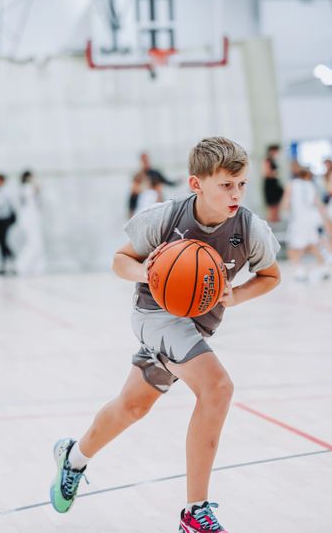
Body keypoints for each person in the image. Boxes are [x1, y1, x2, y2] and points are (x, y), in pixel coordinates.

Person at [50, 137, 281, 532]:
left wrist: (236, 295)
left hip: (197, 324)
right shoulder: (167, 218)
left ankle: (73, 456)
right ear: (197, 184)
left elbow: (271, 277)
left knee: (132, 406)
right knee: (218, 388)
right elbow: (120, 260)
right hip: (154, 314)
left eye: (241, 183)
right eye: (226, 185)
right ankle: (195, 513)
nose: (236, 193)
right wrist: (150, 273)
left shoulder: (249, 229)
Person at [283, 166, 329, 281]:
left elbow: (286, 203)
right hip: (312, 219)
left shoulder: (292, 184)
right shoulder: (311, 186)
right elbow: (319, 204)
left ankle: (299, 270)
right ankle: (324, 266)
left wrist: (286, 212)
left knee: (293, 247)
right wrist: (325, 220)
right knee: (313, 244)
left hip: (299, 220)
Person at [128, 152, 180, 217]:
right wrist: (131, 211)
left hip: (155, 205)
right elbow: (133, 194)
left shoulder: (155, 174)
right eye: (143, 160)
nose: (145, 162)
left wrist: (178, 182)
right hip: (142, 208)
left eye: (146, 160)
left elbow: (167, 182)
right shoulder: (138, 175)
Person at [15, 170, 45, 275]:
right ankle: (22, 265)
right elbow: (37, 188)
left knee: (37, 243)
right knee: (33, 243)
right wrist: (34, 181)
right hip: (30, 220)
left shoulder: (25, 188)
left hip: (33, 219)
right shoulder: (27, 188)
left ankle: (35, 267)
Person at [0, 174, 16, 274]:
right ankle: (3, 264)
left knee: (3, 242)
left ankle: (12, 258)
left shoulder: (6, 191)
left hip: (4, 219)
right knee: (0, 242)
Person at [263, 144, 284, 222]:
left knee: (276, 203)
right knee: (272, 204)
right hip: (270, 184)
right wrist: (275, 173)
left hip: (274, 183)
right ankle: (271, 221)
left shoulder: (273, 160)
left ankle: (275, 219)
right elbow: (266, 173)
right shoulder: (267, 160)